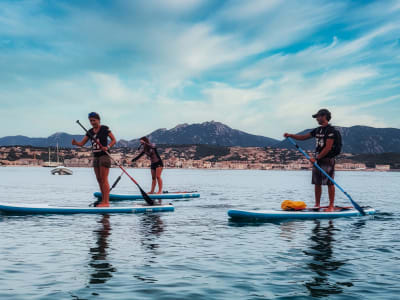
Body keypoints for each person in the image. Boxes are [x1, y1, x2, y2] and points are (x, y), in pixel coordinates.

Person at [284, 109, 341, 212]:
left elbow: (328, 147)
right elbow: (303, 137)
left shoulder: (331, 131)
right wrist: (291, 135)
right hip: (317, 159)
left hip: (327, 159)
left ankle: (331, 206)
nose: (316, 119)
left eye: (318, 117)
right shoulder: (317, 130)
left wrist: (316, 158)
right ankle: (317, 204)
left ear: (324, 116)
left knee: (329, 183)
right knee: (317, 182)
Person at [72, 112, 117, 207]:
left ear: (98, 120)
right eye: (90, 121)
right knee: (99, 179)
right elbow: (82, 144)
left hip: (104, 156)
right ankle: (103, 200)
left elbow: (114, 140)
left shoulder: (104, 128)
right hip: (96, 157)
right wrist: (75, 143)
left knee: (104, 179)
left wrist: (107, 146)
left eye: (94, 120)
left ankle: (106, 202)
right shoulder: (90, 132)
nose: (92, 122)